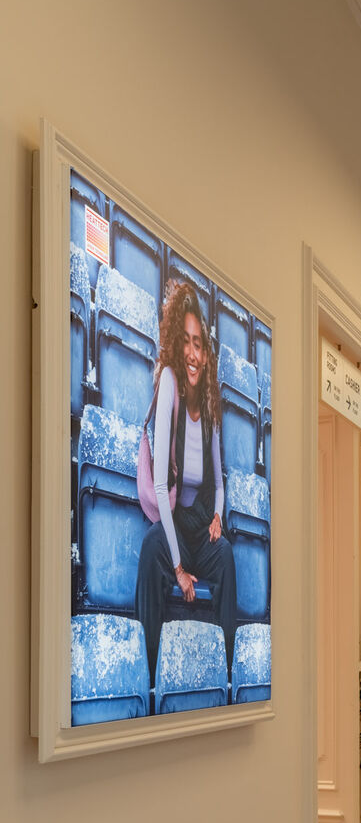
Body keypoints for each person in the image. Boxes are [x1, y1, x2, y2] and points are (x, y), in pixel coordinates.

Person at [135, 280, 236, 702]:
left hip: (199, 523)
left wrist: (218, 515)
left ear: (207, 353)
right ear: (179, 344)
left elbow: (221, 477)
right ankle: (151, 672)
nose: (194, 354)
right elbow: (160, 483)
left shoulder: (210, 404)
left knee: (228, 557)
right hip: (172, 518)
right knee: (149, 551)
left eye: (200, 345)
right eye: (187, 343)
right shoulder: (171, 382)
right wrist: (178, 567)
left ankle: (226, 669)